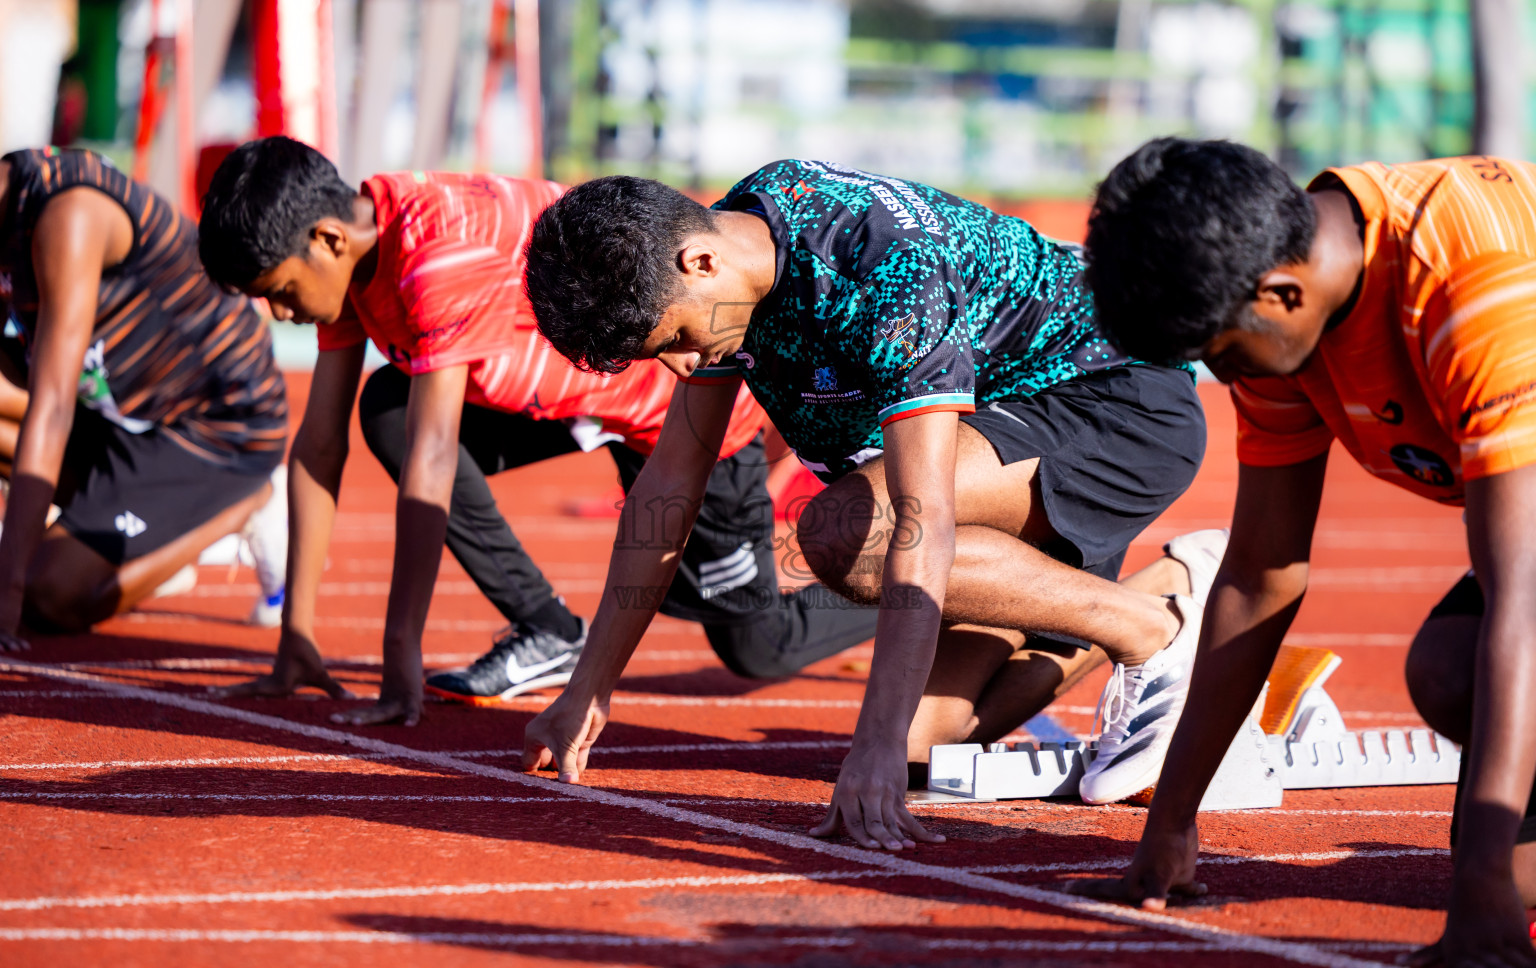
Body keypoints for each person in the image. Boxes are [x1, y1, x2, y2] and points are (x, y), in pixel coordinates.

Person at [515, 159, 1222, 850]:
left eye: (675, 338)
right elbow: (667, 488)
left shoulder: (886, 270)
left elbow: (923, 517)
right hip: (1006, 438)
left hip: (1118, 405)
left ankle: (1149, 631)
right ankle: (1172, 588)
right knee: (924, 751)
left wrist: (869, 745)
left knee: (847, 537)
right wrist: (589, 690)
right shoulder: (722, 259)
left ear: (700, 262)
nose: (683, 366)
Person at [196, 137, 881, 726]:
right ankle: (546, 627)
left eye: (280, 293)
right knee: (389, 406)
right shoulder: (350, 256)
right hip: (586, 403)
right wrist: (297, 632)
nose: (280, 315)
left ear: (327, 240)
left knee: (756, 645)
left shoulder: (436, 254)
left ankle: (921, 592)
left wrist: (399, 650)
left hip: (687, 398)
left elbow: (434, 459)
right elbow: (319, 446)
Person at [1079, 138, 1536, 967]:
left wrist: (1479, 888)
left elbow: (1527, 602)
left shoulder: (1476, 288)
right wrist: (1172, 827)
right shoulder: (1286, 303)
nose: (1223, 377)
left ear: (1281, 294)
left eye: (1219, 356)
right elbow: (1259, 576)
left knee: (1496, 870)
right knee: (1452, 671)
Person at [0, 146, 289, 650]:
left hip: (219, 429)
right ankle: (143, 547)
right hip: (130, 414)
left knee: (45, 594)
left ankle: (249, 503)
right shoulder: (9, 204)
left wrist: (7, 587)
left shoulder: (69, 210)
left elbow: (52, 407)